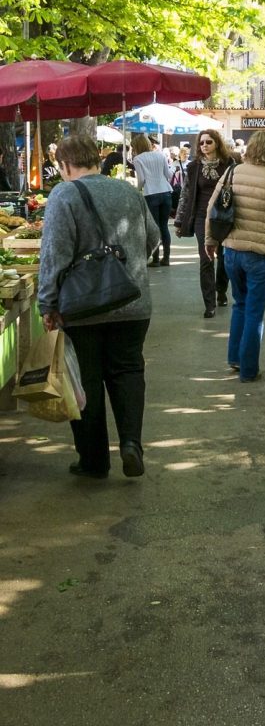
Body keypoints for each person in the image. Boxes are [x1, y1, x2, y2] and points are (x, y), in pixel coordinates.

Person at [37, 135, 160, 480]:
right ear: (96, 158)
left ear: (64, 164)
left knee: (85, 381)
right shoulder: (128, 191)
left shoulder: (64, 195)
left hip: (83, 307)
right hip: (133, 301)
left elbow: (54, 254)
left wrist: (47, 302)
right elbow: (153, 238)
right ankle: (132, 444)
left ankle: (93, 460)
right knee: (128, 372)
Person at [204, 130, 265, 381]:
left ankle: (234, 358)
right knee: (254, 310)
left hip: (232, 251)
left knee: (240, 305)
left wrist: (210, 240)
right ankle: (249, 369)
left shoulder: (233, 172)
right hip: (260, 255)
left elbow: (213, 207)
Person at [174, 129, 234, 317]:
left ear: (217, 143)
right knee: (206, 259)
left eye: (208, 142)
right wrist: (179, 220)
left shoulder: (229, 164)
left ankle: (221, 290)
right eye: (201, 143)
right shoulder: (194, 167)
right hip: (201, 217)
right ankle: (209, 304)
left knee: (224, 258)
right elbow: (185, 194)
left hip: (224, 216)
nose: (204, 146)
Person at [131, 134, 173, 267]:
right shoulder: (160, 155)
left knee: (154, 228)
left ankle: (155, 259)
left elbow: (142, 179)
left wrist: (137, 190)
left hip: (150, 193)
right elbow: (168, 174)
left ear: (136, 147)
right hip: (166, 192)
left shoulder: (138, 159)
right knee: (164, 226)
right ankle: (166, 258)